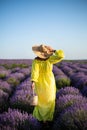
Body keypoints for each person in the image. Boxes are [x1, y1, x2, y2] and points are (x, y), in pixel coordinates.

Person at [31, 44, 64, 122]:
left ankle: (45, 119)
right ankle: (43, 119)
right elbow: (35, 72)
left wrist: (33, 81)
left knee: (48, 99)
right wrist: (33, 81)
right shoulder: (43, 60)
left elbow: (61, 56)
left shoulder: (48, 59)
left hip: (45, 82)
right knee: (43, 100)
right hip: (46, 81)